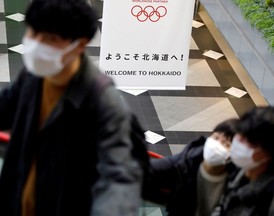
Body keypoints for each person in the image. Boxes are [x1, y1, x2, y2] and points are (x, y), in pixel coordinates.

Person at [0, 0, 143, 215]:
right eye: (33, 32)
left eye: (51, 39)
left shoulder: (102, 101)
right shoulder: (33, 75)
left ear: (79, 44)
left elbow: (118, 174)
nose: (36, 44)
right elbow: (6, 108)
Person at [143, 118, 237, 216]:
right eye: (216, 138)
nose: (217, 145)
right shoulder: (185, 163)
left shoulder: (239, 179)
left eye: (226, 144)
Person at [211, 106, 274, 216]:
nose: (238, 140)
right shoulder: (240, 170)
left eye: (249, 140)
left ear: (269, 153)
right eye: (240, 133)